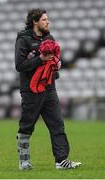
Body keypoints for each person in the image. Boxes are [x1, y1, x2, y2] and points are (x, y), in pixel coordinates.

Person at [15, 8, 81, 170]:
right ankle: (24, 161)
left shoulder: (49, 38)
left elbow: (55, 59)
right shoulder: (23, 40)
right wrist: (40, 59)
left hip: (50, 88)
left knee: (57, 124)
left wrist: (57, 64)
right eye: (44, 19)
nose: (48, 22)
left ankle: (61, 161)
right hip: (31, 91)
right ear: (35, 22)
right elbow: (20, 65)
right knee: (27, 126)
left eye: (48, 19)